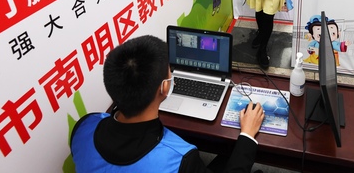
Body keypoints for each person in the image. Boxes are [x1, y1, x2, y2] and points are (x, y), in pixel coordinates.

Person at [70, 35, 265, 172]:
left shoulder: (83, 127)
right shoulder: (181, 160)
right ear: (164, 87)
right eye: (170, 71)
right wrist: (247, 134)